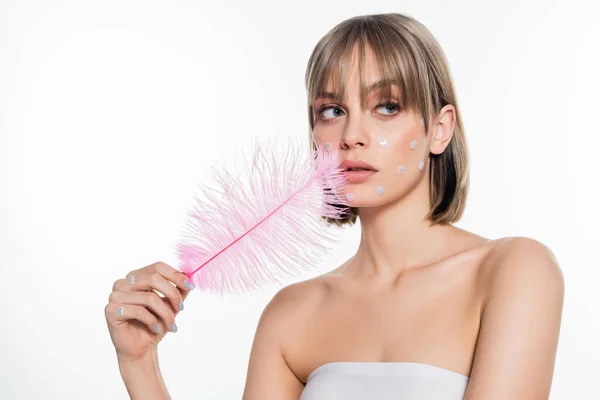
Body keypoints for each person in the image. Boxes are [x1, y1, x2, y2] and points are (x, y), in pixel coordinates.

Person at [105, 12, 565, 400]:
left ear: (439, 129)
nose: (351, 136)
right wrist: (140, 365)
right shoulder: (292, 313)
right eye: (332, 110)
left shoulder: (513, 270)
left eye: (386, 106)